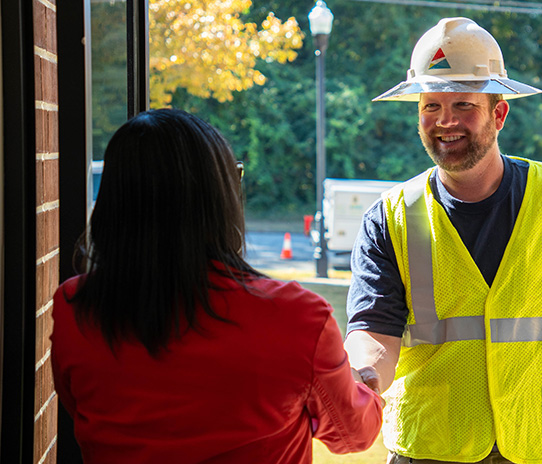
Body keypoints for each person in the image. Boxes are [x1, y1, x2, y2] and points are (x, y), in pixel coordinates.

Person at [343, 17, 542, 464]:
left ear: (499, 113)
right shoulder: (390, 216)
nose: (445, 121)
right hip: (431, 451)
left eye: (464, 106)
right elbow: (373, 330)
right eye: (431, 106)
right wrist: (362, 374)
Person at [50, 108, 383, 463]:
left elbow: (77, 408)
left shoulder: (75, 306)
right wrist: (363, 386)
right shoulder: (296, 317)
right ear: (218, 196)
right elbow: (352, 435)